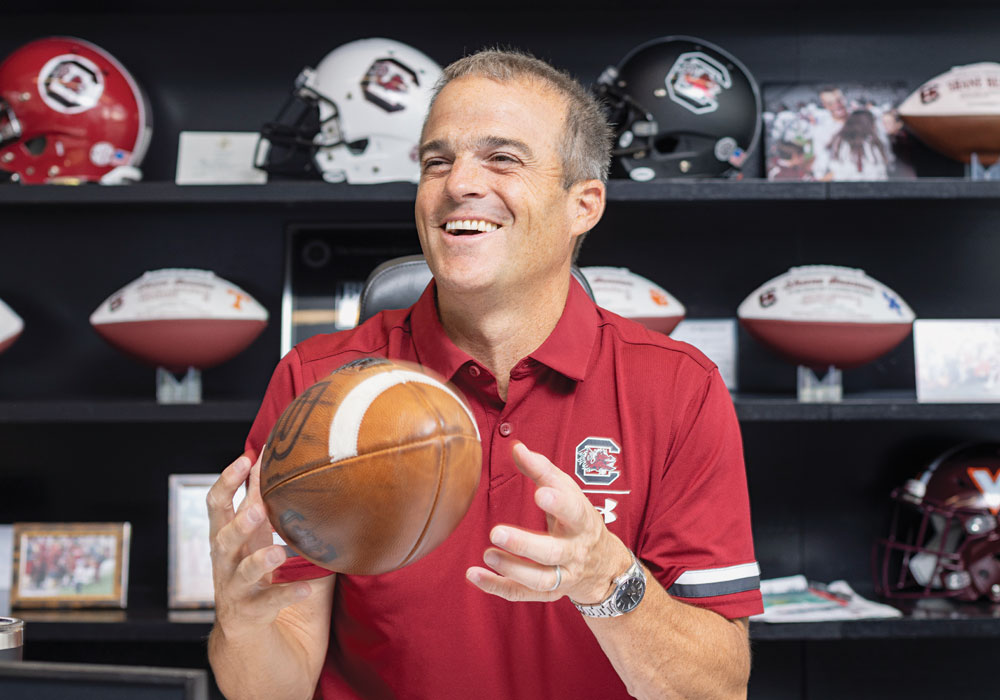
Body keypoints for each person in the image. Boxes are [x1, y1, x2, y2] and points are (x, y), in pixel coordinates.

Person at [207, 48, 762, 700]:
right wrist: (243, 625)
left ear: (583, 205)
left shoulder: (678, 388)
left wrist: (609, 581)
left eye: (502, 158)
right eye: (436, 161)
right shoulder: (318, 382)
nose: (458, 183)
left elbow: (717, 691)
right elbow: (273, 688)